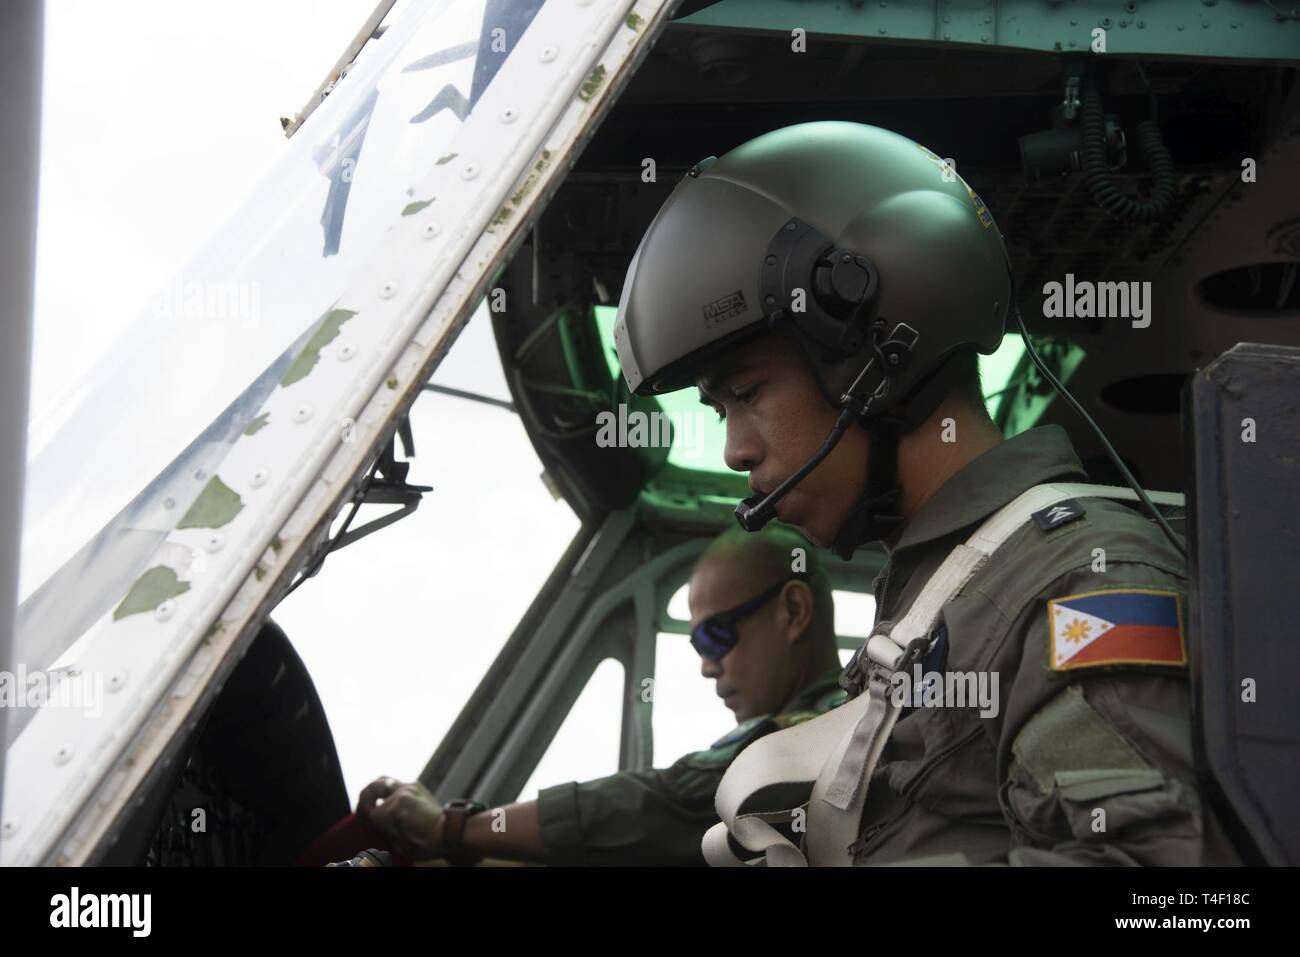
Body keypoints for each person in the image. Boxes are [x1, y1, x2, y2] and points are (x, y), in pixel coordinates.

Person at [611, 119, 1241, 865]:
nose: (734, 448)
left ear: (880, 353)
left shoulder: (1077, 584)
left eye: (747, 392)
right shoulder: (944, 605)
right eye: (721, 411)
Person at [354, 524, 845, 866]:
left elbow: (667, 802)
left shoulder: (814, 738)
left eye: (714, 638)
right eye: (697, 644)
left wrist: (450, 828)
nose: (706, 665)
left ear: (794, 611)